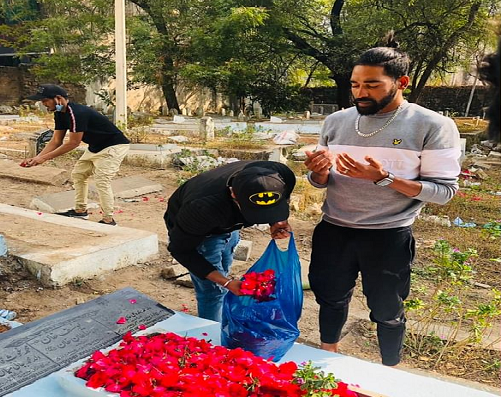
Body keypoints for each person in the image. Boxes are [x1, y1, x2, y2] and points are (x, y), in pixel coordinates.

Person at [303, 36, 461, 366]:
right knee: (330, 298)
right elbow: (322, 182)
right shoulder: (336, 122)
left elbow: (444, 192)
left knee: (387, 310)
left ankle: (391, 368)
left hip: (388, 235)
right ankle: (326, 356)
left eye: (372, 85)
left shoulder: (432, 125)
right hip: (334, 229)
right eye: (356, 84)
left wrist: (383, 178)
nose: (361, 92)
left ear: (401, 82)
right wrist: (317, 173)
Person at [164, 160, 296, 322]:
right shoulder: (202, 208)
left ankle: (223, 314)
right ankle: (213, 337)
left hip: (226, 222)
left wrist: (277, 221)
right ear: (233, 194)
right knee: (213, 290)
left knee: (225, 264)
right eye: (254, 213)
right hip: (201, 231)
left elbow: (271, 200)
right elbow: (181, 250)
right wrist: (225, 283)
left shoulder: (280, 174)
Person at [22, 84, 130, 225]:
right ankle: (80, 211)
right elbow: (56, 140)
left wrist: (43, 158)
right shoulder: (60, 113)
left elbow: (73, 143)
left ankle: (108, 219)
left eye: (45, 101)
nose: (43, 104)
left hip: (113, 146)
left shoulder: (76, 113)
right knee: (78, 174)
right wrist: (37, 158)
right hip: (95, 147)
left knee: (102, 180)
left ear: (58, 99)